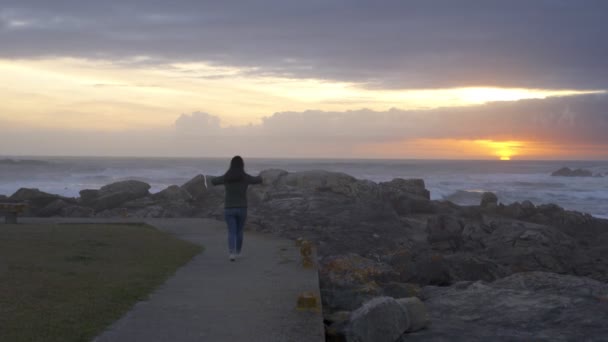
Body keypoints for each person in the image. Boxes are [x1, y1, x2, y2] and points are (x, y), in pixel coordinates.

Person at [210, 156, 263, 261]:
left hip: (229, 208)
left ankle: (231, 254)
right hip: (242, 208)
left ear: (231, 165)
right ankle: (238, 253)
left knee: (231, 231)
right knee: (239, 231)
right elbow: (257, 180)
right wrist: (262, 177)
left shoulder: (227, 177)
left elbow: (214, 181)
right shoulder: (245, 177)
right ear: (242, 165)